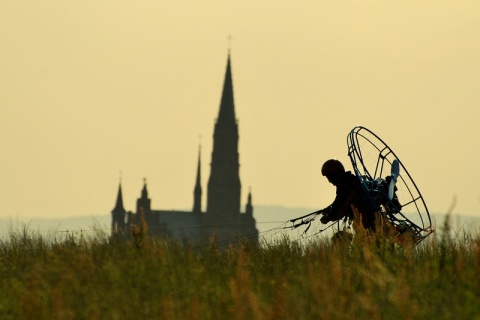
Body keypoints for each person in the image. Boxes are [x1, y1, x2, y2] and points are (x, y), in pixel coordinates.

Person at [319, 159, 376, 231]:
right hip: (369, 218)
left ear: (334, 175)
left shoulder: (345, 185)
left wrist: (328, 217)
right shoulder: (352, 180)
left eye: (329, 178)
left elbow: (339, 206)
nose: (329, 181)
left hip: (365, 221)